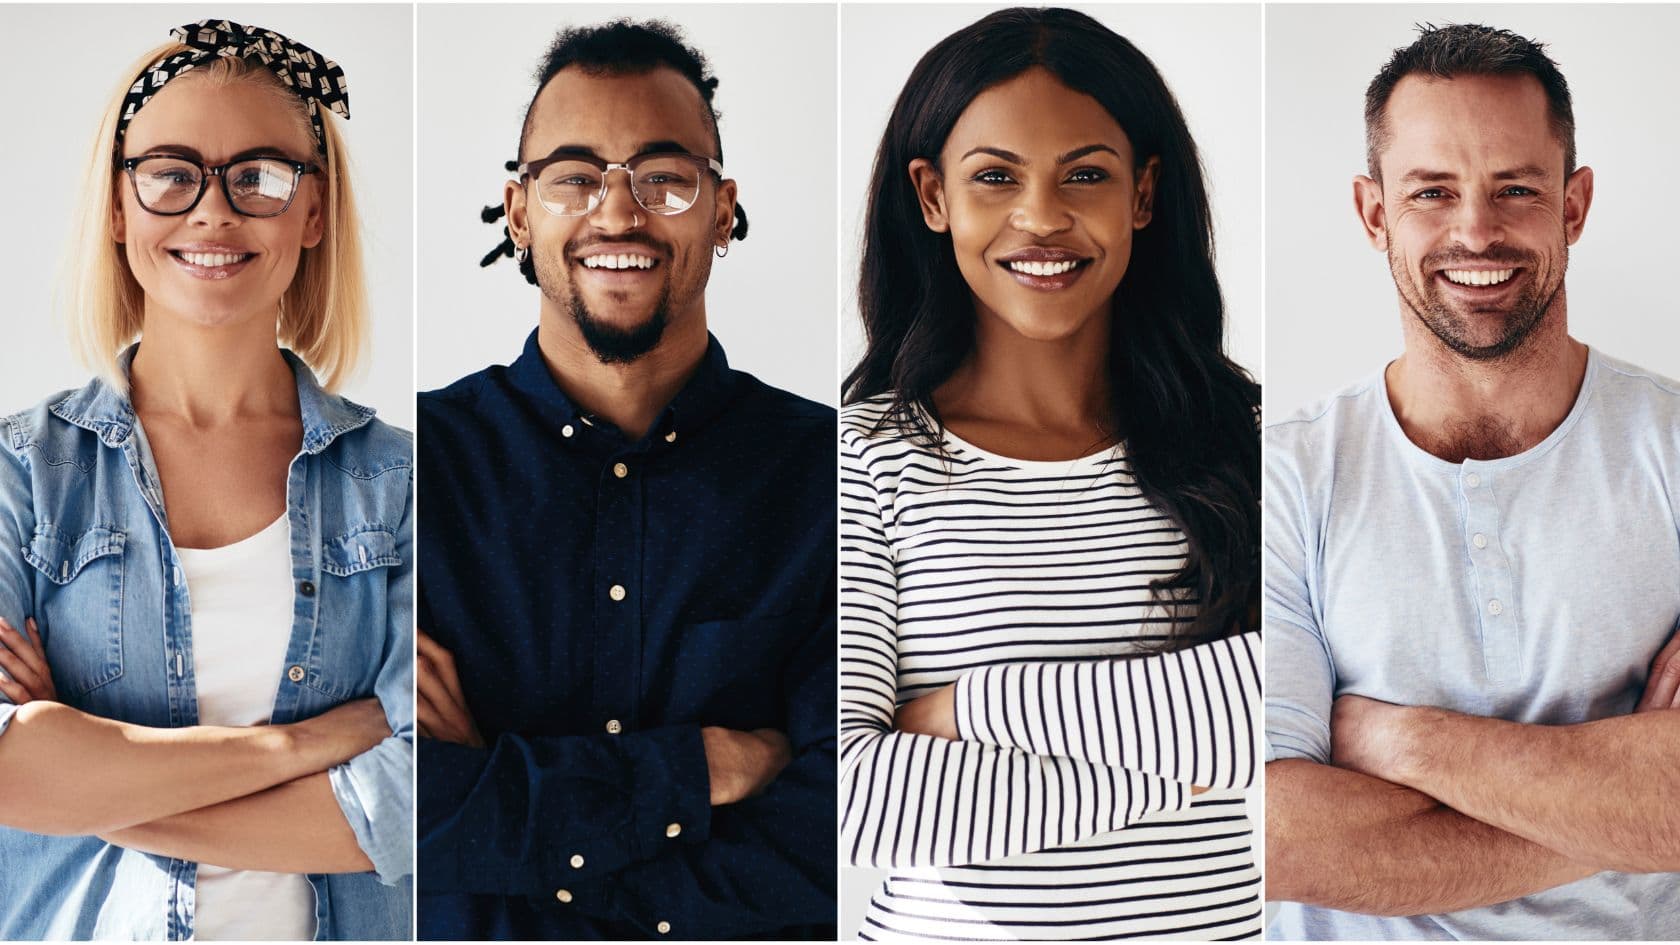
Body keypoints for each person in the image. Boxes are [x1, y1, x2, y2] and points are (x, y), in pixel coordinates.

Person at [839, 8, 1262, 940]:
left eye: (1085, 175)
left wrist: (969, 707)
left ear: (1143, 194)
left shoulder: (1248, 445)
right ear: (932, 194)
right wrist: (1193, 756)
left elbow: (1293, 703)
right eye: (995, 176)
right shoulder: (862, 460)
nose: (1041, 217)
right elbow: (856, 800)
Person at [414, 19, 836, 940]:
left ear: (722, 209)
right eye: (573, 176)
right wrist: (698, 769)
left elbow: (839, 830)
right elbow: (398, 808)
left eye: (664, 177)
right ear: (520, 211)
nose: (617, 213)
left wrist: (514, 821)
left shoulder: (830, 476)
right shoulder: (408, 469)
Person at [0, 19, 413, 942]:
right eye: (171, 172)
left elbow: (414, 797)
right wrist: (305, 744)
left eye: (260, 175)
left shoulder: (401, 483)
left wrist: (86, 773)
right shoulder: (21, 473)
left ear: (314, 213)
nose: (213, 212)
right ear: (117, 205)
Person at [1265, 23, 1680, 940]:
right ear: (1375, 214)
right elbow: (1280, 835)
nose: (1476, 230)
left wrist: (1395, 739)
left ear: (1574, 205)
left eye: (1516, 189)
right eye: (1433, 192)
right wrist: (1632, 811)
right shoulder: (1282, 479)